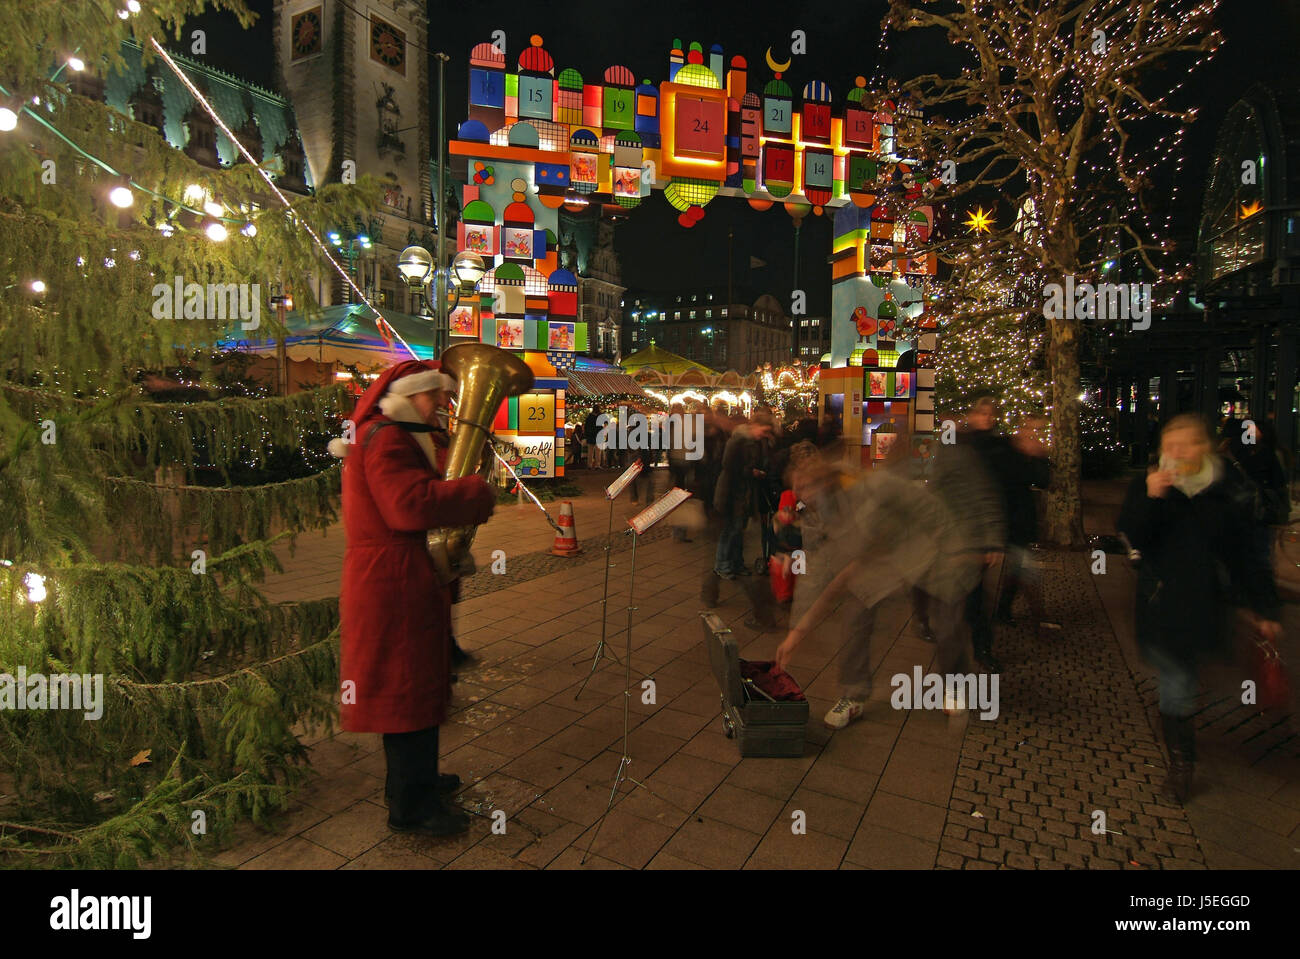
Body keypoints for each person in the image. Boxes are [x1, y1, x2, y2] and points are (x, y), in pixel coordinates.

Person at [331, 359, 497, 836]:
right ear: (413, 394)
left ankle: (417, 782)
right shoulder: (387, 437)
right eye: (438, 398)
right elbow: (408, 507)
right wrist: (474, 493)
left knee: (416, 688)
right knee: (405, 693)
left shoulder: (395, 433)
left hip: (398, 577)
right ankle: (411, 807)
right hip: (392, 579)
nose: (444, 406)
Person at [1118, 413, 1282, 803]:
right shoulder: (1150, 485)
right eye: (1168, 446)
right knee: (1177, 681)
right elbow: (1132, 536)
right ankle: (1181, 761)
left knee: (1183, 680)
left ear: (1203, 447)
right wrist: (1152, 498)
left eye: (1184, 444)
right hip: (1163, 603)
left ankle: (1180, 738)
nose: (1175, 453)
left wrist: (1265, 608)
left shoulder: (1227, 492)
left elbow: (1245, 556)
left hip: (1207, 603)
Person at [958, 396, 1014, 671]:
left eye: (991, 414)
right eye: (982, 413)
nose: (987, 418)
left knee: (977, 596)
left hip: (977, 534)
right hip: (959, 531)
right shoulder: (963, 445)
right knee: (967, 596)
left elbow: (997, 494)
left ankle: (981, 647)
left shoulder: (998, 448)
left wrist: (993, 539)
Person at [994, 412, 1052, 628]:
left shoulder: (1036, 452)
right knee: (1021, 567)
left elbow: (1043, 481)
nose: (1033, 433)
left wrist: (1038, 457)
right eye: (1031, 427)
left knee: (1021, 566)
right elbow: (1003, 477)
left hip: (1020, 519)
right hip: (1002, 515)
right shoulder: (1006, 448)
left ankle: (1008, 610)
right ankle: (1035, 615)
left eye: (1038, 429)